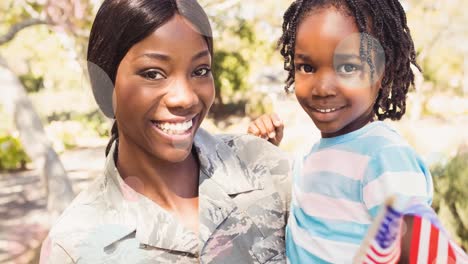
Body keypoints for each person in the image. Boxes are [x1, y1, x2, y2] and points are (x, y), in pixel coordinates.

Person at [40, 0, 291, 263]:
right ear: (105, 86)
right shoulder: (74, 246)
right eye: (152, 74)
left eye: (200, 71)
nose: (185, 98)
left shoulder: (268, 169)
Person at [248, 0, 433, 263]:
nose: (322, 88)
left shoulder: (384, 156)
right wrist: (264, 152)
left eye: (348, 67)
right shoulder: (310, 155)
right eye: (307, 67)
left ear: (381, 73)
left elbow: (417, 252)